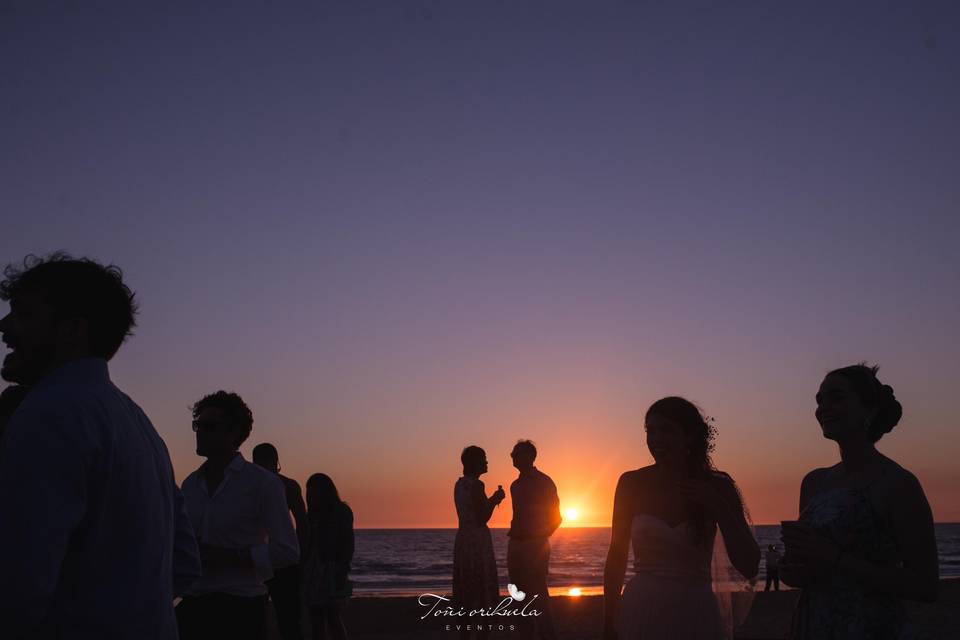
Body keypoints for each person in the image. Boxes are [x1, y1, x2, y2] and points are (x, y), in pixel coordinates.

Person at [0, 253, 201, 639]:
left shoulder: (50, 412)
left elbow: (18, 587)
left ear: (72, 330)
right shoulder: (139, 424)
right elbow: (186, 565)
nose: (5, 327)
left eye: (23, 314)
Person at [781, 364, 938, 639]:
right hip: (813, 623)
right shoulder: (814, 482)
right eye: (819, 400)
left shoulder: (898, 484)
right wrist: (793, 570)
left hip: (869, 626)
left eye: (837, 397)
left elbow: (925, 587)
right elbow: (812, 567)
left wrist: (835, 558)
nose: (823, 407)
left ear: (869, 409)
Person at [603, 396, 759, 640]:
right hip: (641, 607)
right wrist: (608, 618)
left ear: (689, 436)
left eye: (667, 430)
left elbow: (749, 565)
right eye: (650, 431)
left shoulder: (718, 486)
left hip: (695, 609)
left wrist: (717, 505)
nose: (656, 440)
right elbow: (616, 556)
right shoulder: (631, 483)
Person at [177, 391, 300, 640]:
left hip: (241, 606)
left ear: (234, 432)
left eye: (209, 425)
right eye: (197, 424)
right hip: (193, 603)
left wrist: (231, 557)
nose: (200, 431)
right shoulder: (190, 485)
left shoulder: (262, 483)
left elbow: (288, 551)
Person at [507, 439, 562, 640]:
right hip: (515, 544)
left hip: (535, 546)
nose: (512, 456)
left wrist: (539, 537)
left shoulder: (544, 482)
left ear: (530, 456)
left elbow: (556, 517)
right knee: (518, 595)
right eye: (512, 453)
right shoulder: (515, 485)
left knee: (538, 595)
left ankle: (547, 635)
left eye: (516, 453)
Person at [253, 443, 308, 640]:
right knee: (289, 619)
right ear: (276, 460)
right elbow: (302, 522)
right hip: (278, 559)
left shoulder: (253, 485)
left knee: (258, 617)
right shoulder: (289, 485)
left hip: (260, 557)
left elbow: (302, 522)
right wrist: (302, 555)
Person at [453, 446, 506, 640]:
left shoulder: (459, 484)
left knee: (466, 590)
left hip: (463, 541)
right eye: (484, 459)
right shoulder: (477, 485)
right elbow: (482, 517)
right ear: (474, 462)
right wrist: (495, 499)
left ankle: (465, 635)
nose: (487, 462)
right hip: (478, 542)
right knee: (481, 589)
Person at [302, 473, 355, 640]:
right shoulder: (310, 515)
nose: (311, 495)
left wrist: (342, 568)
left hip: (331, 567)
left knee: (332, 616)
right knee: (316, 617)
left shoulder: (341, 511)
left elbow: (347, 543)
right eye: (309, 491)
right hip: (312, 568)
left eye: (314, 491)